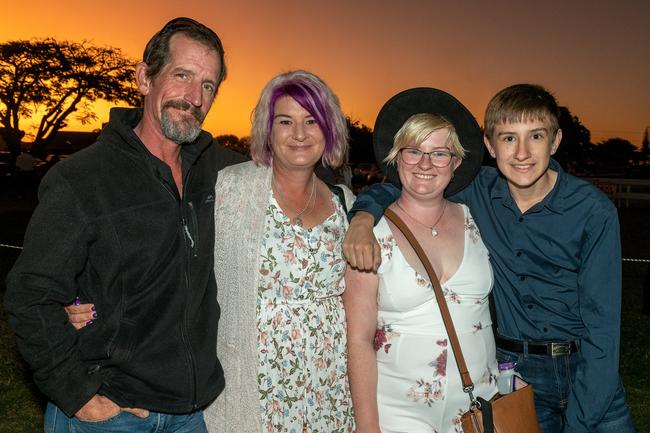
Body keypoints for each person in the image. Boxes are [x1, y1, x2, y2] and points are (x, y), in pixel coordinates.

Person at [343, 84, 636, 433]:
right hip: (517, 375)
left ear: (555, 142)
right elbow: (408, 181)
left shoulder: (593, 211)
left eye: (536, 136)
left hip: (589, 367)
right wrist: (362, 216)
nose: (522, 153)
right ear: (489, 145)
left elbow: (603, 327)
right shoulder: (476, 189)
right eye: (509, 138)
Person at [4, 17, 231, 433]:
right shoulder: (82, 179)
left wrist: (370, 203)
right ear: (145, 78)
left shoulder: (215, 168)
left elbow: (297, 168)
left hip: (191, 414)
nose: (194, 97)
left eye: (208, 85)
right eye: (181, 75)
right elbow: (30, 296)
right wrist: (78, 395)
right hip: (113, 413)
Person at [200, 70, 355, 433]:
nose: (299, 134)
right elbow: (174, 257)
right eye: (285, 121)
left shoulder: (346, 205)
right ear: (268, 130)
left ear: (329, 129)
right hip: (251, 388)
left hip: (329, 392)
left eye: (311, 121)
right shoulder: (230, 189)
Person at [344, 88, 497, 433]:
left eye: (439, 153)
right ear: (397, 158)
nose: (425, 164)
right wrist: (368, 427)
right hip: (398, 410)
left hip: (479, 404)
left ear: (456, 162)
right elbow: (358, 339)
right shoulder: (371, 232)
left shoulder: (477, 218)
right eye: (413, 151)